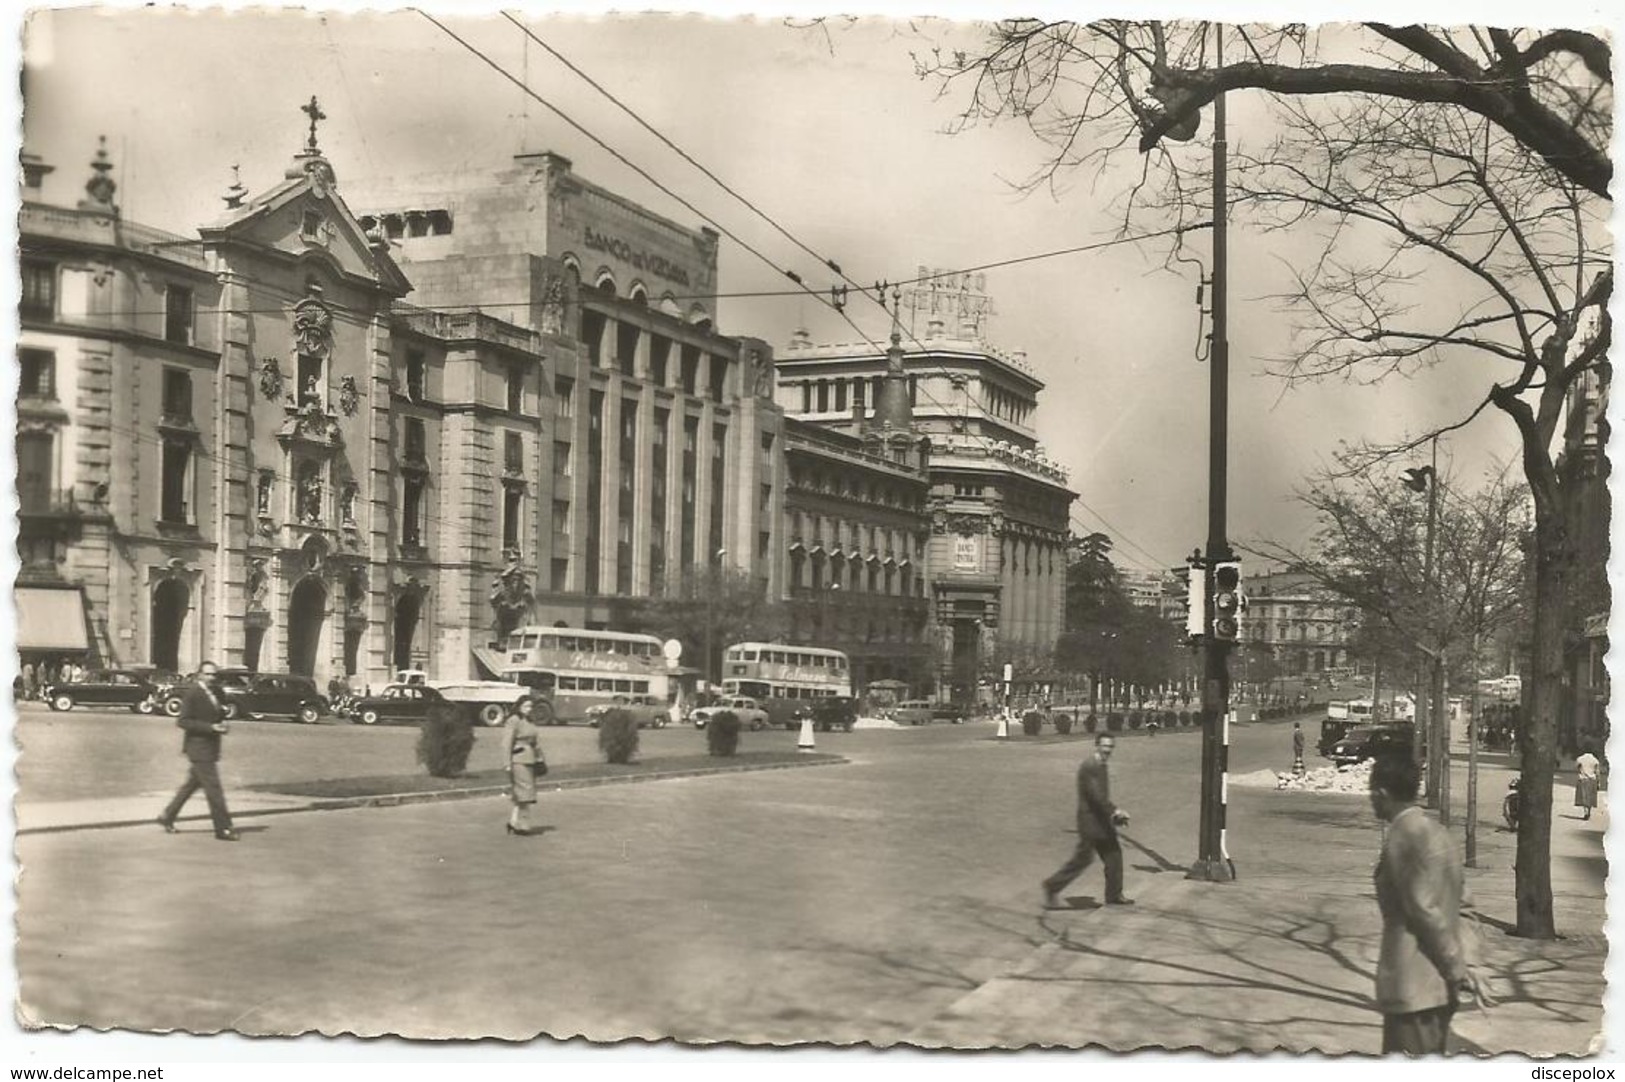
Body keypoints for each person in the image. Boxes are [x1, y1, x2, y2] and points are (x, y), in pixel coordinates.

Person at [1369, 754, 1491, 1054]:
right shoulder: (1439, 833)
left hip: (1414, 989)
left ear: (1381, 794)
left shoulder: (1403, 836)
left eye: (1371, 794)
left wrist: (1457, 969)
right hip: (1437, 990)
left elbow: (1424, 912)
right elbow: (1464, 906)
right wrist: (1469, 964)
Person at [1042, 734, 1132, 908]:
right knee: (1082, 859)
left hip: (1101, 821)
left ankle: (1114, 895)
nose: (1107, 750)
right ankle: (1052, 886)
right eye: (1104, 746)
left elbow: (1101, 798)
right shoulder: (1089, 766)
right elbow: (1096, 796)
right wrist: (1115, 811)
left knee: (1114, 855)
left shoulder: (1101, 765)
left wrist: (1115, 817)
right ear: (1096, 746)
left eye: (1110, 747)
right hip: (1090, 822)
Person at [157, 661, 239, 841]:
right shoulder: (193, 694)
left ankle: (167, 816)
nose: (211, 678)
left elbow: (219, 713)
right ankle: (223, 828)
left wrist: (223, 717)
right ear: (200, 675)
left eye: (214, 675)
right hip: (198, 748)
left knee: (192, 784)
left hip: (210, 747)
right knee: (214, 789)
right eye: (208, 674)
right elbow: (183, 721)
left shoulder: (217, 692)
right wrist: (211, 727)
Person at [503, 697, 547, 836]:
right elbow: (506, 743)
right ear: (519, 706)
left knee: (521, 793)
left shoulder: (530, 721)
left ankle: (513, 822)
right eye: (526, 706)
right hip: (518, 759)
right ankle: (523, 825)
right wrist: (506, 763)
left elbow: (536, 743)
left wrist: (541, 758)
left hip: (531, 759)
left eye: (530, 707)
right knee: (526, 792)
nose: (529, 709)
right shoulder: (514, 720)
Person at [1574, 748, 1601, 821]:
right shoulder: (1595, 760)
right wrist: (1598, 782)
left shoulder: (1580, 759)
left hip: (1583, 779)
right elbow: (1597, 772)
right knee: (1590, 797)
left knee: (1584, 796)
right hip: (1592, 779)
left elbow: (1576, 767)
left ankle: (1585, 812)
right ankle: (1589, 811)